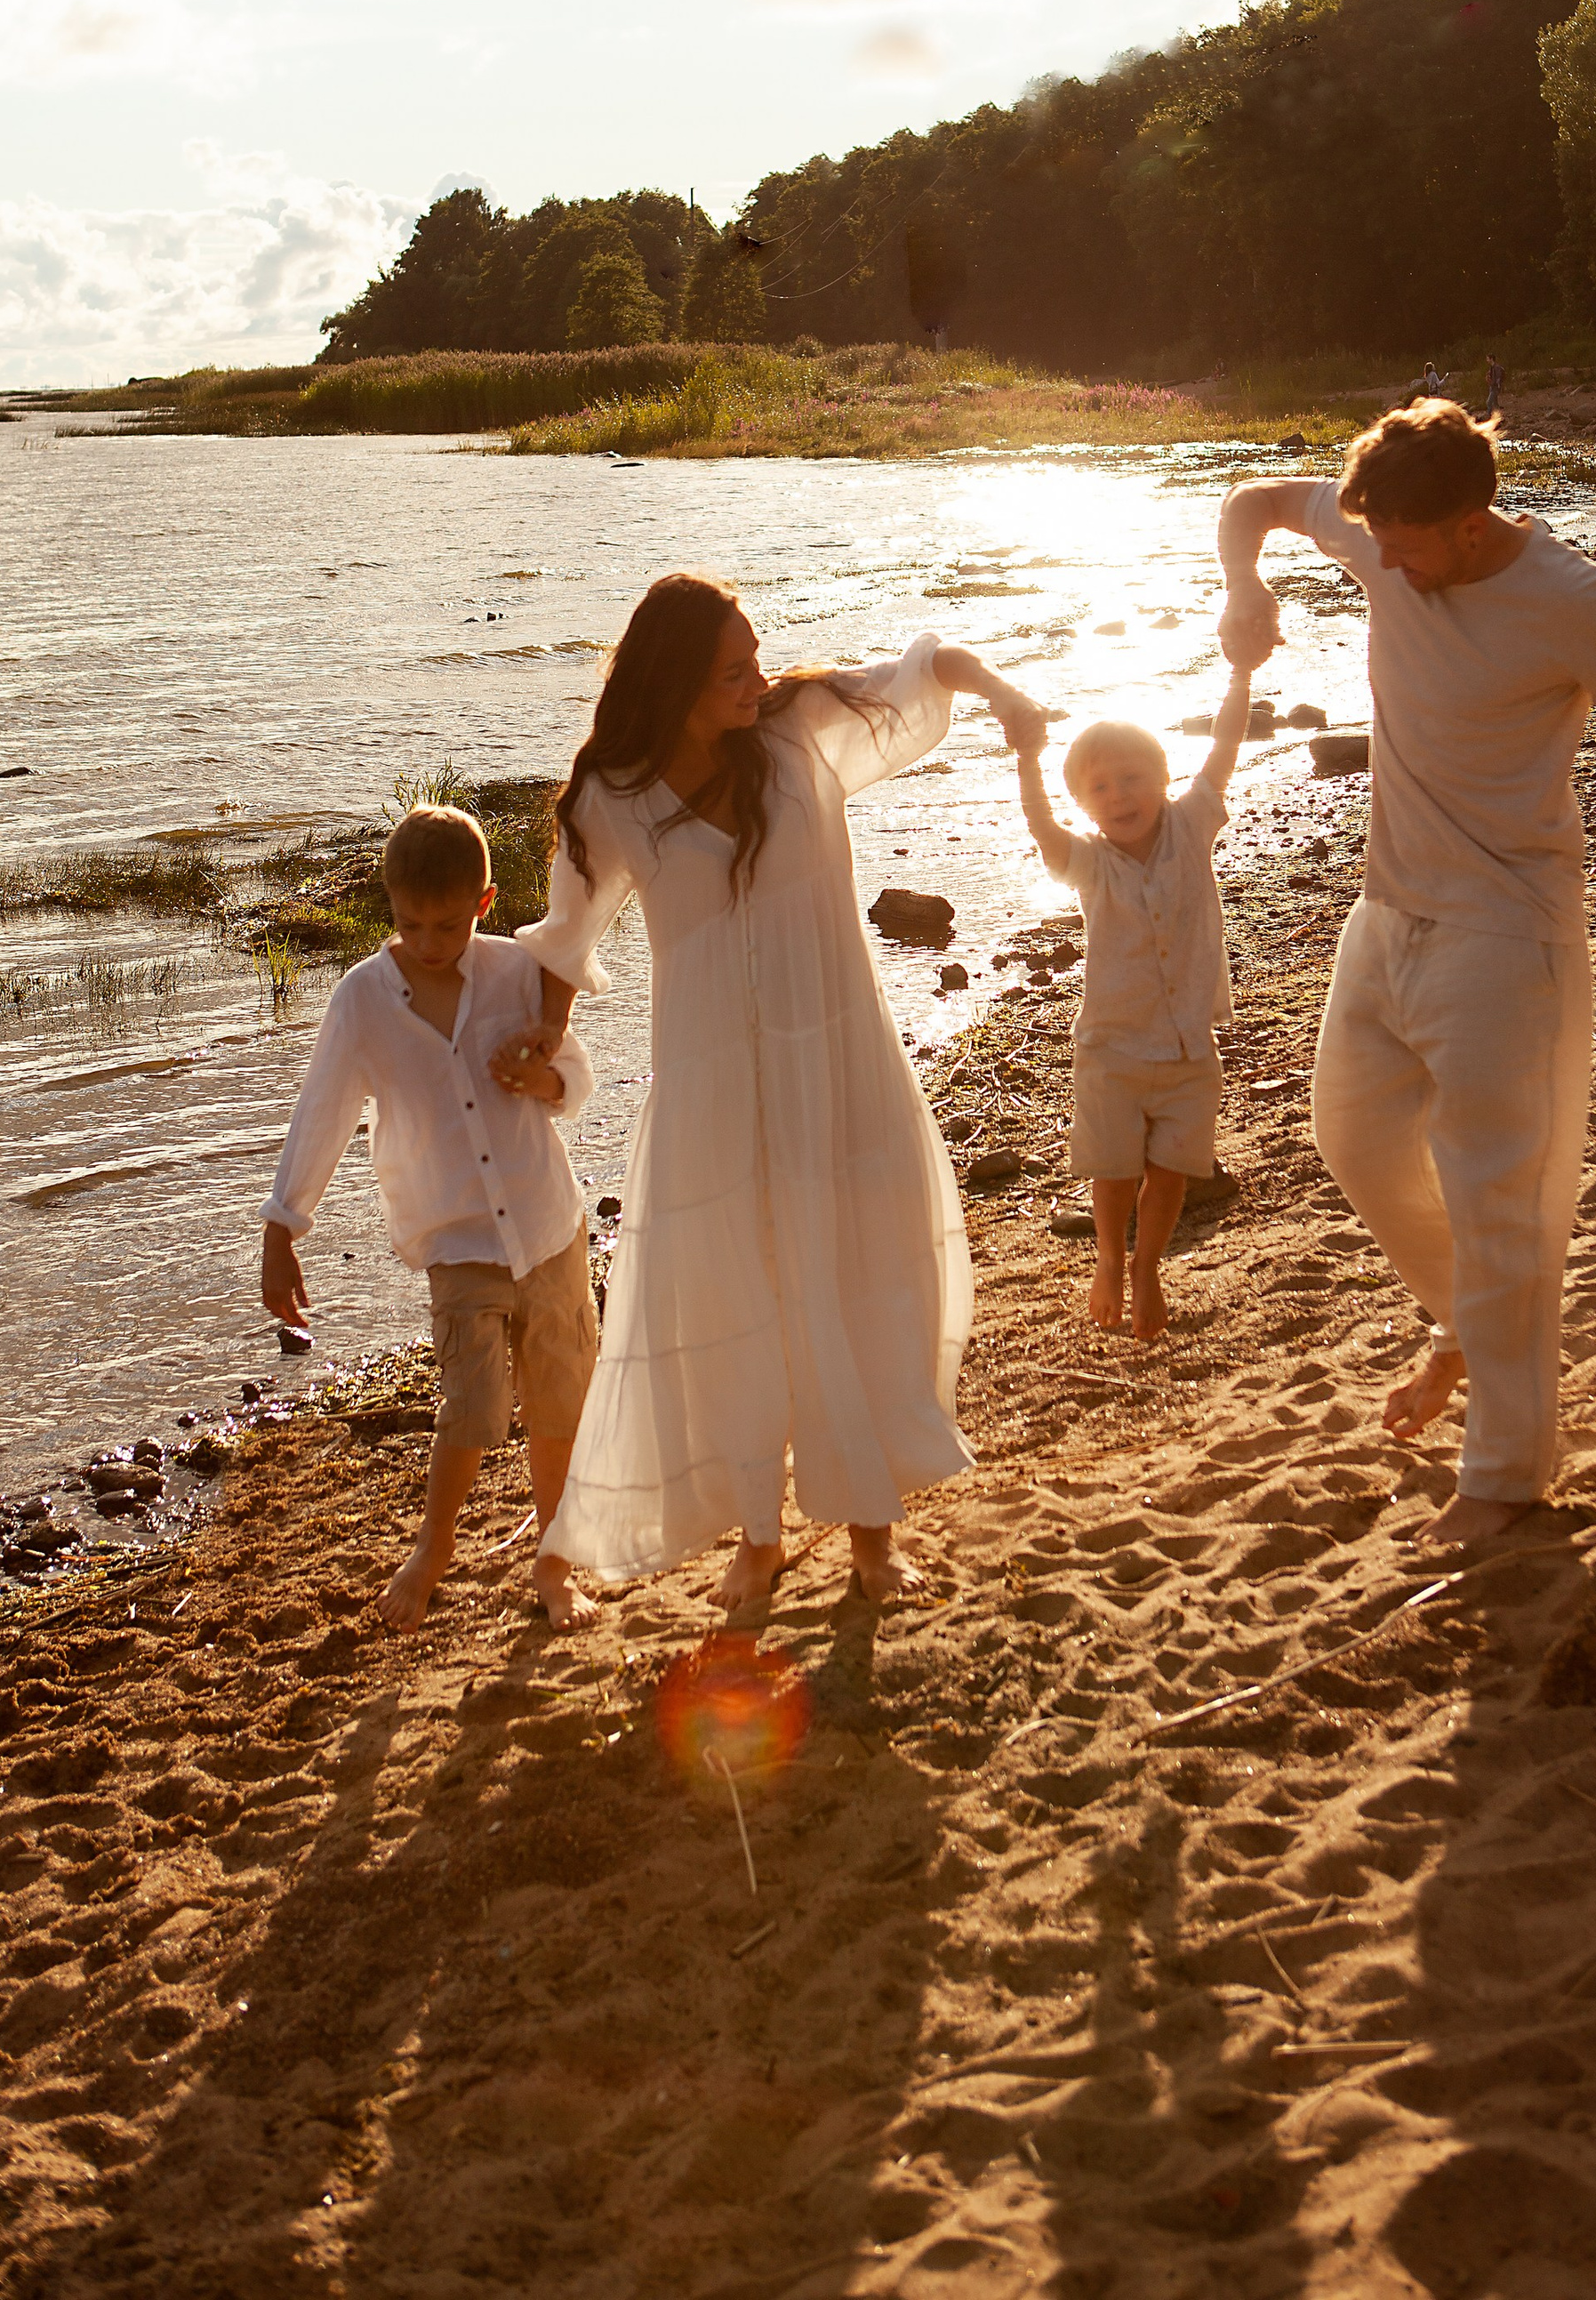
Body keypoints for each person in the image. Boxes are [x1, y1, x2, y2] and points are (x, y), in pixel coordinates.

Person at [501, 574, 1048, 1616]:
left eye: (754, 655)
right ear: (670, 682)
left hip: (839, 1065)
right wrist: (546, 1042)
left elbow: (925, 667)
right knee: (734, 1304)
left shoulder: (797, 728)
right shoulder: (611, 796)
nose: (756, 678)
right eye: (730, 669)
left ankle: (872, 1539)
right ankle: (757, 1537)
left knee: (860, 1279)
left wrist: (1007, 697)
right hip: (712, 1087)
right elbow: (566, 942)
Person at [1217, 398, 1596, 1552]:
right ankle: (1460, 1330)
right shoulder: (1384, 537)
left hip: (1508, 934)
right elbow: (1247, 504)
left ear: (1474, 523)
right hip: (1386, 917)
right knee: (1351, 1138)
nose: (1379, 557)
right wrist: (1248, 589)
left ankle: (1503, 1482)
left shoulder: (1574, 601)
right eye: (1372, 532)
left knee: (1504, 1207)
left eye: (1404, 538)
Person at [260, 804, 597, 1634]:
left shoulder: (521, 972)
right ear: (390, 907)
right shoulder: (364, 1001)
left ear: (484, 904)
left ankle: (553, 1561)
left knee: (559, 1405)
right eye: (410, 922)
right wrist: (282, 1227)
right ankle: (432, 1551)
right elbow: (322, 1113)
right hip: (458, 1244)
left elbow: (577, 1075)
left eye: (448, 922)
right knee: (473, 1408)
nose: (428, 938)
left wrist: (546, 1082)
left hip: (550, 1226)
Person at [1015, 667, 1252, 1340]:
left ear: (1162, 779)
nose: (1119, 795)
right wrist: (1029, 759)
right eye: (1101, 787)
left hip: (1186, 1046)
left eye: (1132, 778)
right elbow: (1039, 825)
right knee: (1116, 1176)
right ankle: (1112, 1260)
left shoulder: (1193, 823)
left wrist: (1240, 677)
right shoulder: (1087, 862)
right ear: (1085, 805)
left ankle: (1148, 1267)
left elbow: (1226, 748)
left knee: (1174, 1172)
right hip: (1113, 1051)